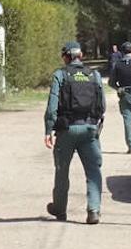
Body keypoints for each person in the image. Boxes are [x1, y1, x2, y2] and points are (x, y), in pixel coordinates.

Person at [44, 41, 105, 224]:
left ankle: (60, 210)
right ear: (81, 56)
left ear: (66, 57)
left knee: (62, 171)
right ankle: (93, 210)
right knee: (93, 171)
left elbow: (52, 106)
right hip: (89, 130)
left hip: (66, 130)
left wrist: (48, 130)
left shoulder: (60, 75)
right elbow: (102, 106)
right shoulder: (94, 75)